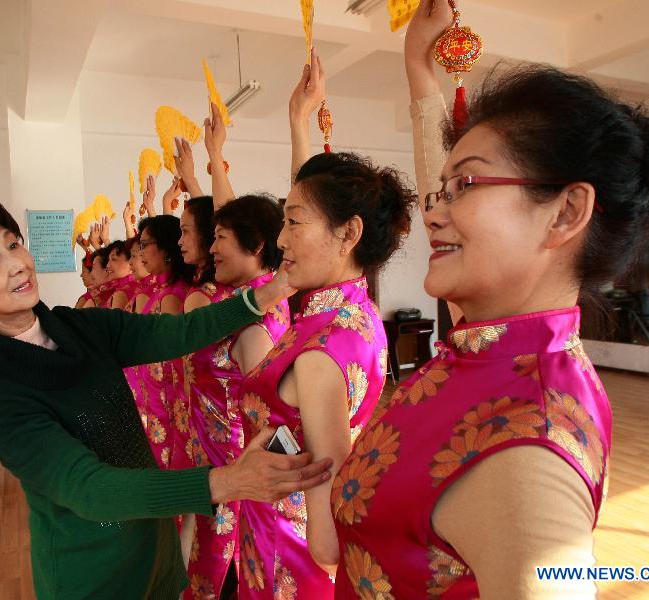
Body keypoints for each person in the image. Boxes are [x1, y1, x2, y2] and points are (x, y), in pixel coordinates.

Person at [328, 2, 649, 598]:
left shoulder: (528, 440)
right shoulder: (486, 345)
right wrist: (419, 69)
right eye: (441, 189)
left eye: (463, 185)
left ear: (567, 212)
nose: (433, 210)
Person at [0, 193, 333, 600]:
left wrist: (273, 291)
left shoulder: (81, 328)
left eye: (13, 244)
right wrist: (228, 481)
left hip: (153, 549)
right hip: (92, 572)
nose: (17, 264)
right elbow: (89, 489)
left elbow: (178, 332)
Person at [234, 51, 416, 599]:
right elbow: (315, 207)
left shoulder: (321, 349)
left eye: (292, 223)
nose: (281, 239)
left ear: (349, 234)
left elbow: (329, 539)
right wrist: (299, 124)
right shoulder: (346, 314)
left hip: (284, 557)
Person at [182, 194, 291, 598]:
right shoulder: (244, 302)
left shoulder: (254, 317)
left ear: (257, 245)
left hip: (232, 465)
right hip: (215, 456)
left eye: (221, 237)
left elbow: (267, 413)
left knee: (217, 573)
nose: (212, 249)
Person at [132, 214, 196, 468]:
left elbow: (169, 356)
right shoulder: (160, 289)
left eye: (145, 244)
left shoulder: (172, 295)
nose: (141, 252)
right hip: (152, 397)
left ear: (165, 247)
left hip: (165, 401)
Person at [103, 239, 136, 310]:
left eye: (114, 259)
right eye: (109, 260)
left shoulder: (121, 293)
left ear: (130, 261)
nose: (108, 265)